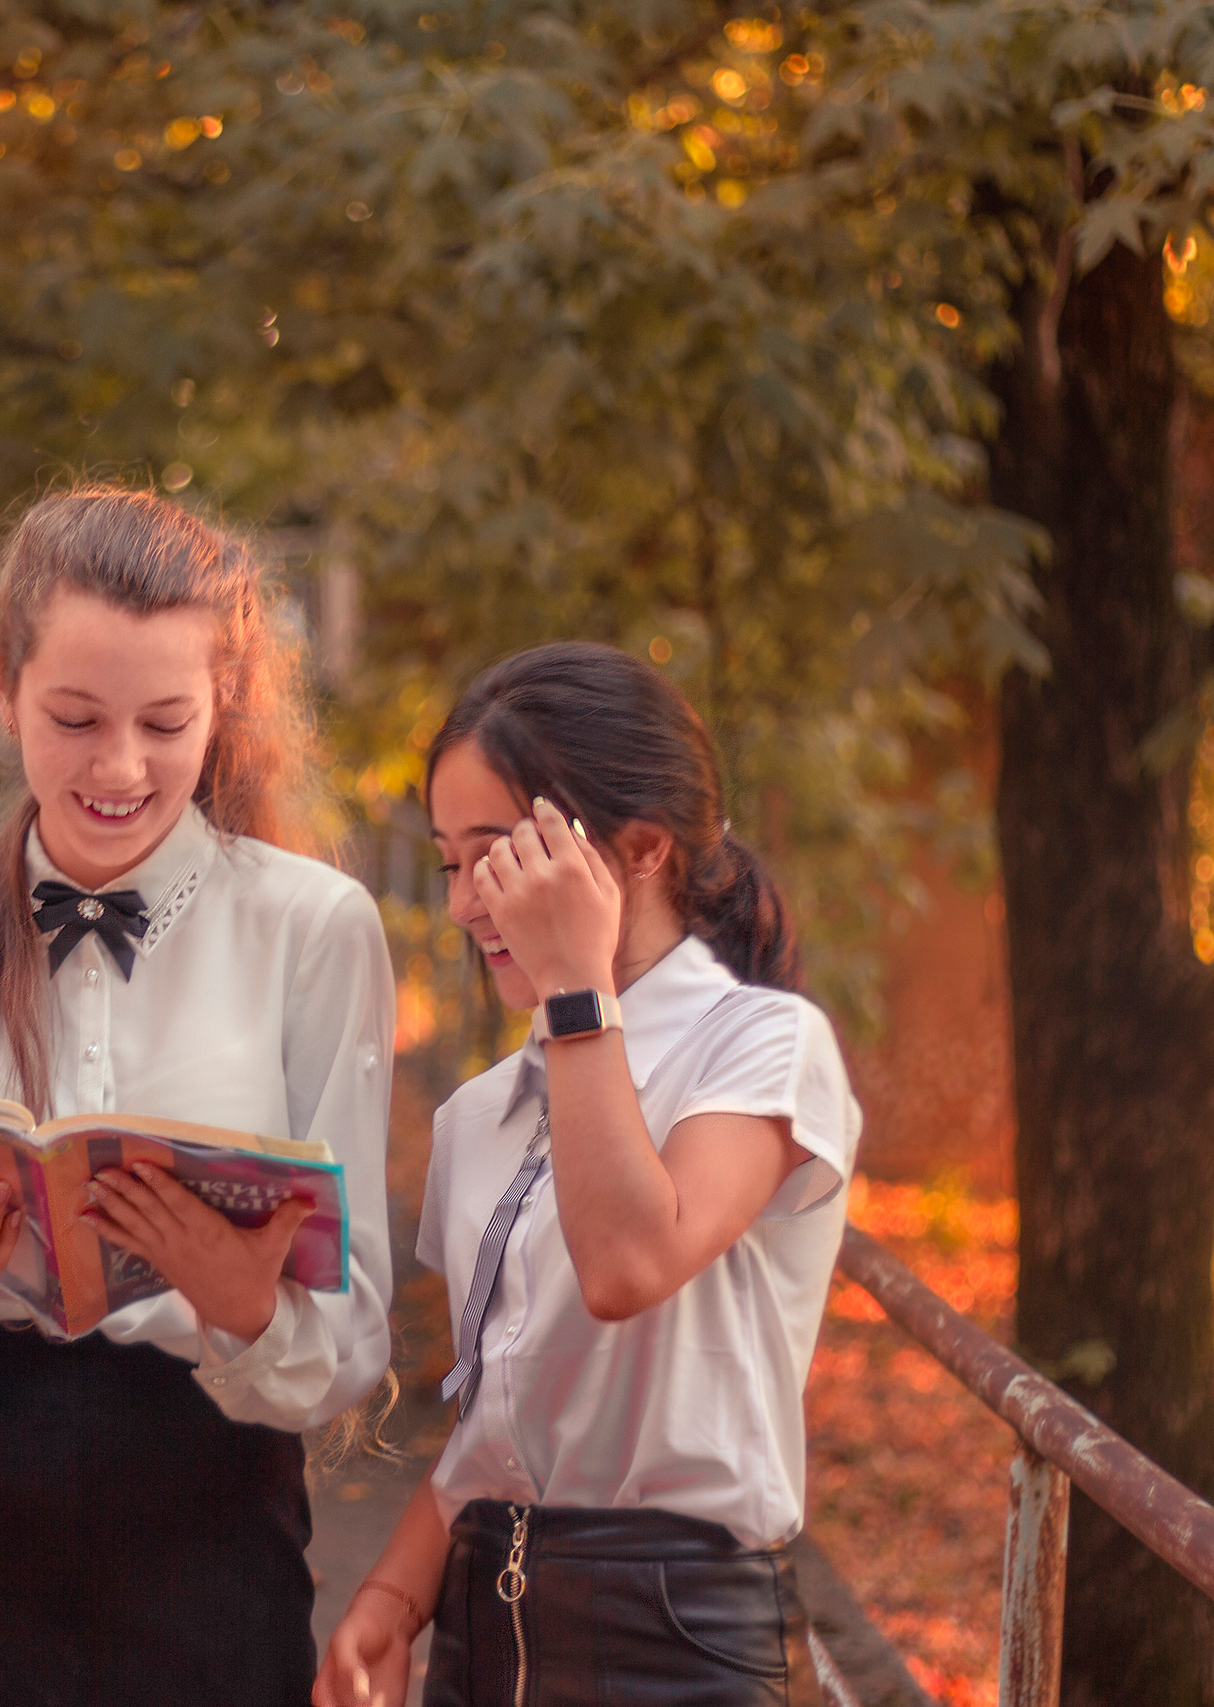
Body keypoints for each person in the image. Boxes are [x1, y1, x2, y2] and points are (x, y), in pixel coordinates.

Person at [0, 485, 398, 1707]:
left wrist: (249, 1307)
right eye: (74, 718)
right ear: (1, 686)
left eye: (165, 721)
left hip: (208, 1509)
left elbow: (351, 1340)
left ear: (223, 704)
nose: (120, 767)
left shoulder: (313, 928)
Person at [318, 642, 859, 1707]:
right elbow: (497, 1415)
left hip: (675, 1637)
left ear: (642, 848)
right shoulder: (480, 1115)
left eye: (500, 857)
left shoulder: (760, 1046)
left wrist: (575, 988)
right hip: (481, 1618)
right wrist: (390, 1595)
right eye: (448, 863)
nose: (469, 903)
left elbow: (626, 1262)